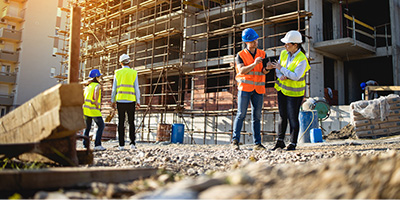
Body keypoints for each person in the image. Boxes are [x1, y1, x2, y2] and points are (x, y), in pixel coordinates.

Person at [231, 28, 273, 150]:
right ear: (246, 42)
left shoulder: (263, 53)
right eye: (252, 41)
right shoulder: (240, 55)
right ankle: (235, 141)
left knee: (257, 116)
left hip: (258, 90)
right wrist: (254, 63)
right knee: (241, 114)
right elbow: (242, 70)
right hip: (244, 88)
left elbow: (263, 71)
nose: (255, 42)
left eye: (256, 40)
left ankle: (257, 143)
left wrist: (268, 68)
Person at [271, 30, 310, 151]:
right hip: (282, 90)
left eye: (288, 44)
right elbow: (277, 69)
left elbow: (296, 76)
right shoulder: (283, 53)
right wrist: (280, 75)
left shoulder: (302, 58)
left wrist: (282, 69)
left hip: (295, 93)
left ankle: (293, 143)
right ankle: (280, 141)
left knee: (293, 117)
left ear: (295, 45)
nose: (285, 46)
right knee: (282, 117)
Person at [111, 54, 141, 150]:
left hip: (120, 100)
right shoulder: (133, 73)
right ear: (129, 62)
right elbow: (136, 88)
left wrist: (113, 100)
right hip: (131, 100)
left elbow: (114, 88)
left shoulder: (117, 73)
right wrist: (138, 100)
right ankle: (132, 143)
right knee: (131, 122)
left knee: (121, 122)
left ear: (120, 63)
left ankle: (121, 145)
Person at [83, 69, 106, 151]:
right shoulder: (97, 85)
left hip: (86, 109)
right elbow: (96, 91)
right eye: (99, 76)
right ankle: (97, 144)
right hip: (94, 109)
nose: (100, 78)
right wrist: (96, 103)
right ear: (96, 77)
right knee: (101, 125)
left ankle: (85, 145)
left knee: (87, 127)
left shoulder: (87, 86)